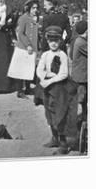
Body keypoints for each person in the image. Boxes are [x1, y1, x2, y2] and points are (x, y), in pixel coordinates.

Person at [36, 25, 77, 154]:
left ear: (60, 41)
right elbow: (39, 69)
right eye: (51, 40)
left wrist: (50, 79)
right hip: (48, 88)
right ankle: (54, 138)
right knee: (49, 112)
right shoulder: (45, 55)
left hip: (60, 88)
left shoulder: (63, 55)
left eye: (56, 40)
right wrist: (44, 77)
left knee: (60, 114)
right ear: (47, 41)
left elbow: (64, 74)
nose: (53, 43)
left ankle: (63, 143)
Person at [9, 0, 40, 99]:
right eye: (33, 8)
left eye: (36, 8)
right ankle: (19, 91)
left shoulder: (35, 18)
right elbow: (21, 33)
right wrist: (28, 45)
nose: (36, 10)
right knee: (21, 70)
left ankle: (27, 88)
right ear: (28, 8)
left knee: (29, 69)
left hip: (32, 48)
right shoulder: (23, 18)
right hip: (23, 48)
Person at [71, 20, 88, 134]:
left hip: (81, 75)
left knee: (83, 100)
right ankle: (82, 123)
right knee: (81, 100)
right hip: (81, 77)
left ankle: (84, 120)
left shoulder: (78, 40)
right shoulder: (81, 42)